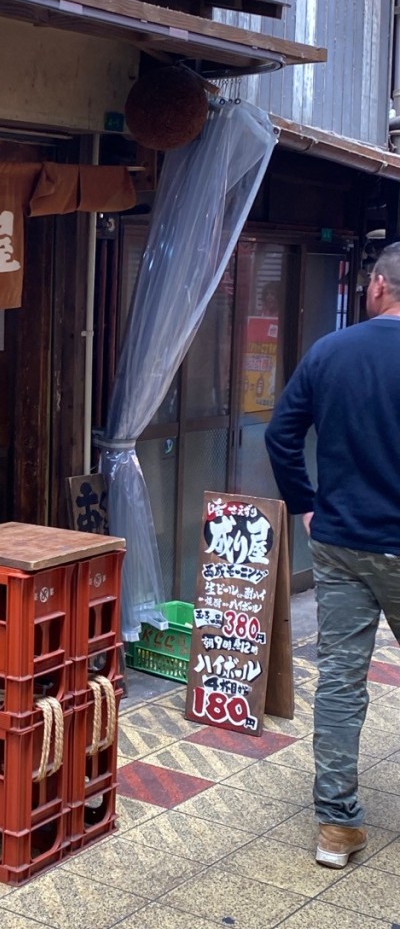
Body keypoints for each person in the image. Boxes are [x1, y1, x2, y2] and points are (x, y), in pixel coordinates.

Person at [264, 242, 400, 869]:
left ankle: (335, 830)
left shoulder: (330, 351)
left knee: (342, 681)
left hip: (341, 541)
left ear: (376, 286)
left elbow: (280, 434)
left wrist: (305, 502)